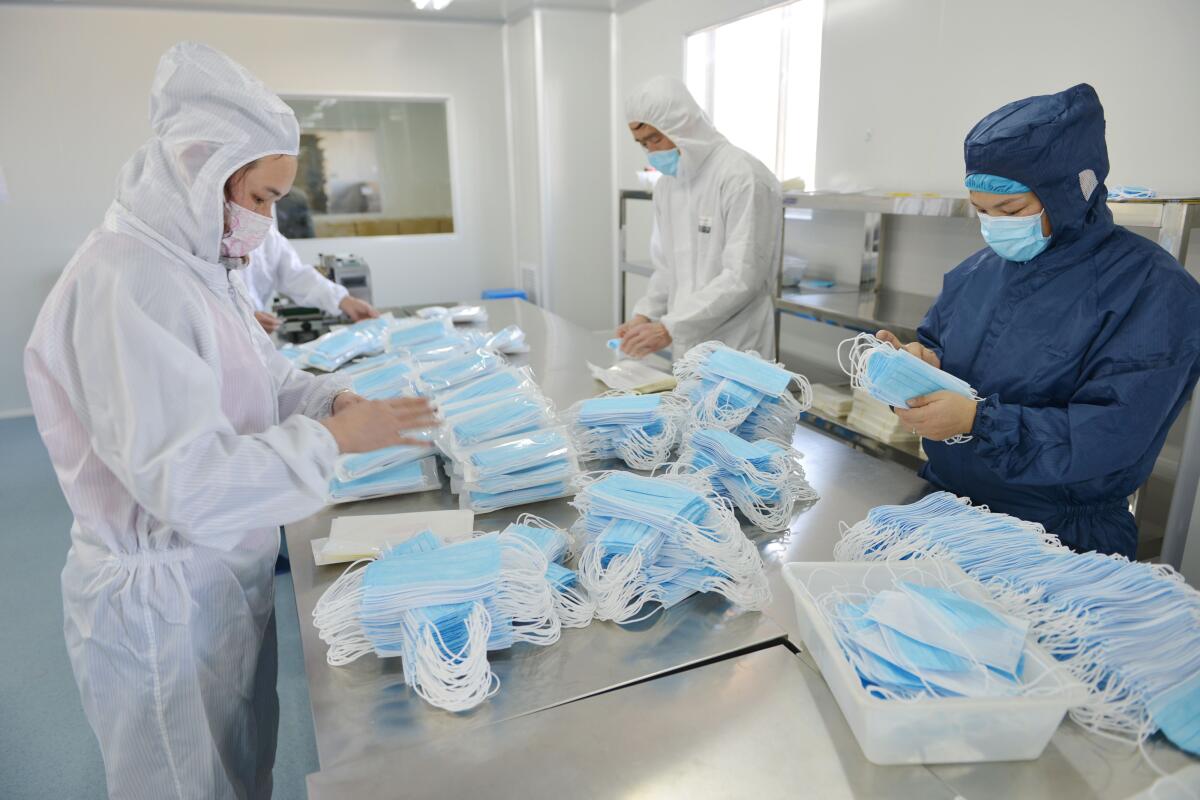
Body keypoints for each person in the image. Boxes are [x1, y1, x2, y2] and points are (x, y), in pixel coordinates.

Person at [23, 42, 435, 799]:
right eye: (263, 199)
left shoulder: (197, 264)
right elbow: (190, 482)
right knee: (186, 783)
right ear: (199, 173)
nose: (268, 224)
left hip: (215, 579)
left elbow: (261, 376)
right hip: (163, 610)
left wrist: (326, 400)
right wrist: (334, 440)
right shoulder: (130, 284)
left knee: (239, 769)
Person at [879, 83, 1200, 559]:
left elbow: (1111, 433)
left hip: (1060, 538)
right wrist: (917, 366)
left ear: (1071, 193)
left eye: (1010, 211)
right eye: (981, 211)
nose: (994, 226)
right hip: (947, 511)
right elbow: (942, 348)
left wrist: (977, 421)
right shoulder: (976, 274)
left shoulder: (1153, 290)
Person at [617, 76, 782, 359]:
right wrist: (645, 315)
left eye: (655, 138)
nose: (651, 150)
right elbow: (667, 268)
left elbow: (742, 277)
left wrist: (669, 327)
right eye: (643, 143)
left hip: (737, 347)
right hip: (687, 347)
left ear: (682, 125)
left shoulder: (741, 176)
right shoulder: (669, 185)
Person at [244, 223, 378, 333]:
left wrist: (343, 300)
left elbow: (295, 275)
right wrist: (242, 319)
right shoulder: (223, 233)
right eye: (259, 199)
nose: (268, 214)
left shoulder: (267, 232)